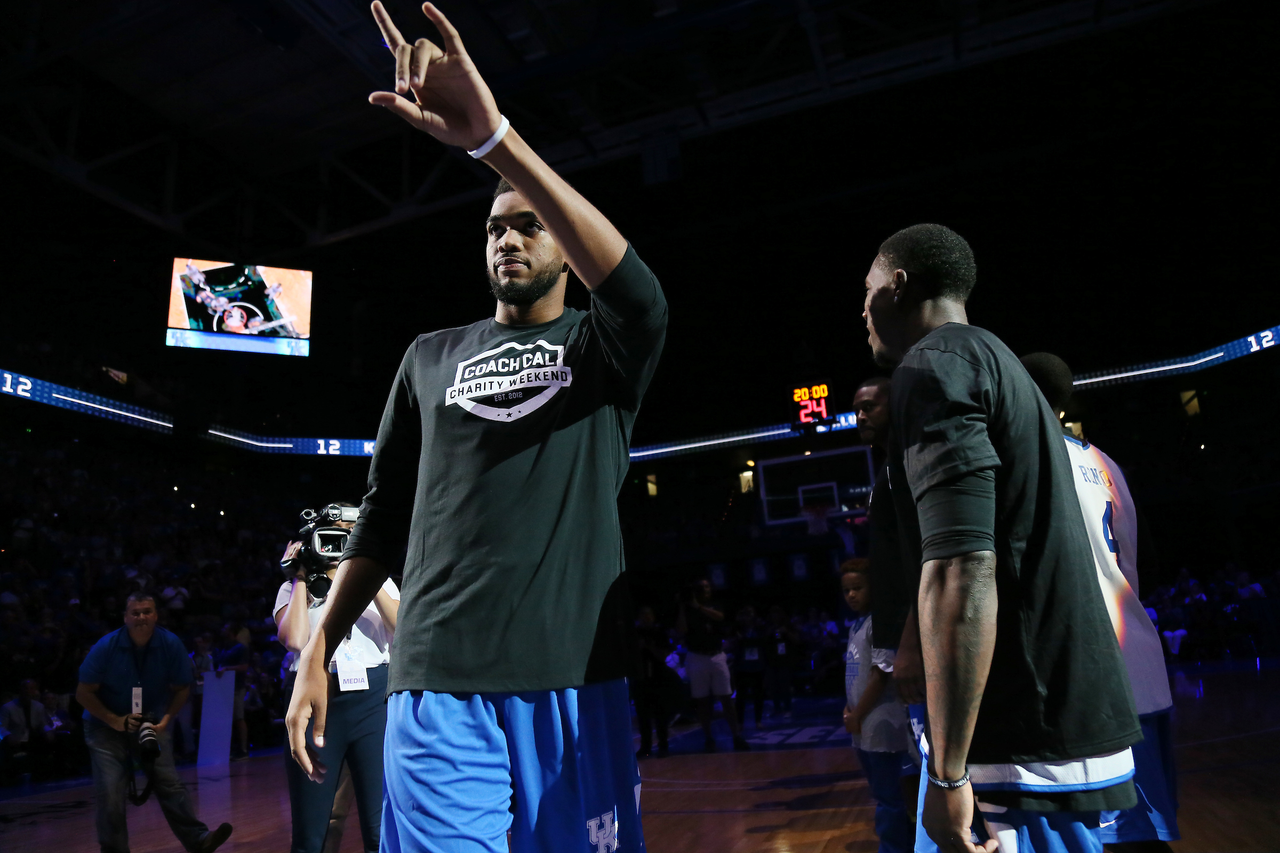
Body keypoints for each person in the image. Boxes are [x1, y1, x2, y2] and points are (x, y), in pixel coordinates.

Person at [285, 5, 668, 852]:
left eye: (529, 224)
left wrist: (495, 139)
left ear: (565, 247)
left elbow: (642, 296)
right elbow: (382, 519)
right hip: (435, 678)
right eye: (495, 226)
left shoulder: (601, 346)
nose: (508, 238)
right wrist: (321, 645)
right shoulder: (429, 354)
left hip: (575, 673)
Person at [862, 224, 1141, 853]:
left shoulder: (932, 367)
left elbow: (963, 569)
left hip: (1019, 741)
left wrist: (948, 771)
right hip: (1047, 715)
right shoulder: (994, 359)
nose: (862, 308)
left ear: (898, 285)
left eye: (869, 287)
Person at [1022, 352, 1180, 852]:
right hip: (1140, 662)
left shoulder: (1030, 459)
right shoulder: (1106, 462)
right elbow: (1148, 564)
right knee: (1143, 833)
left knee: (1104, 838)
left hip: (1088, 677)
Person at [275, 502, 399, 853]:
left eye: (344, 540)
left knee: (380, 823)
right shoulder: (294, 588)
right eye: (328, 541)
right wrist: (298, 576)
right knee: (312, 826)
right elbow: (296, 639)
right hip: (317, 702)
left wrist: (364, 572)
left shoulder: (381, 581)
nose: (335, 548)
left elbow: (402, 628)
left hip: (372, 700)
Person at [75, 592, 232, 853]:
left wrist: (166, 720)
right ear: (125, 617)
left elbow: (183, 687)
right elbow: (83, 692)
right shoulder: (105, 647)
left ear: (156, 615)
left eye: (147, 611)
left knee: (169, 782)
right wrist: (114, 720)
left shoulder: (170, 644)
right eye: (135, 612)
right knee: (111, 791)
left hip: (149, 721)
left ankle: (199, 840)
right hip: (104, 725)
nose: (141, 617)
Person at [841, 559, 914, 853]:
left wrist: (857, 713)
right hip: (861, 722)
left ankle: (895, 848)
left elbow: (881, 674)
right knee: (883, 793)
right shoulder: (856, 624)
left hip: (881, 722)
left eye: (857, 588)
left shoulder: (881, 622)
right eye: (846, 590)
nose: (851, 595)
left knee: (889, 798)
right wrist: (849, 710)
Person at [677, 579, 749, 753]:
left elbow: (720, 617)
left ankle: (736, 736)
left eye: (707, 586)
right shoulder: (686, 609)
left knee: (726, 697)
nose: (705, 589)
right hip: (696, 656)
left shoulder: (715, 605)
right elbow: (681, 630)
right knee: (702, 701)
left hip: (716, 655)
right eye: (701, 587)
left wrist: (698, 607)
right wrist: (682, 605)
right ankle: (709, 738)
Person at [631, 606, 672, 758]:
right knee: (643, 715)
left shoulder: (659, 633)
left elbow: (664, 654)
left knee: (661, 713)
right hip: (640, 678)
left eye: (649, 614)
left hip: (658, 676)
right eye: (643, 614)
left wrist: (649, 647)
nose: (646, 617)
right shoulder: (634, 633)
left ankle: (663, 745)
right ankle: (645, 746)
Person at [214, 622, 250, 759]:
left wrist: (227, 669)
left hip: (236, 688)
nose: (222, 630)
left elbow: (244, 667)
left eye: (225, 628)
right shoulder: (221, 648)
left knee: (238, 717)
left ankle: (243, 750)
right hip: (221, 689)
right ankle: (228, 749)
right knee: (226, 720)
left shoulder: (241, 648)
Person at [729, 605, 767, 730]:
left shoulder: (760, 627)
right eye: (746, 613)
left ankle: (758, 721)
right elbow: (733, 641)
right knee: (741, 696)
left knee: (758, 695)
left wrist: (744, 640)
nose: (749, 616)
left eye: (751, 613)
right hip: (741, 666)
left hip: (757, 666)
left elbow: (762, 641)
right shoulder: (737, 628)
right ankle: (740, 722)